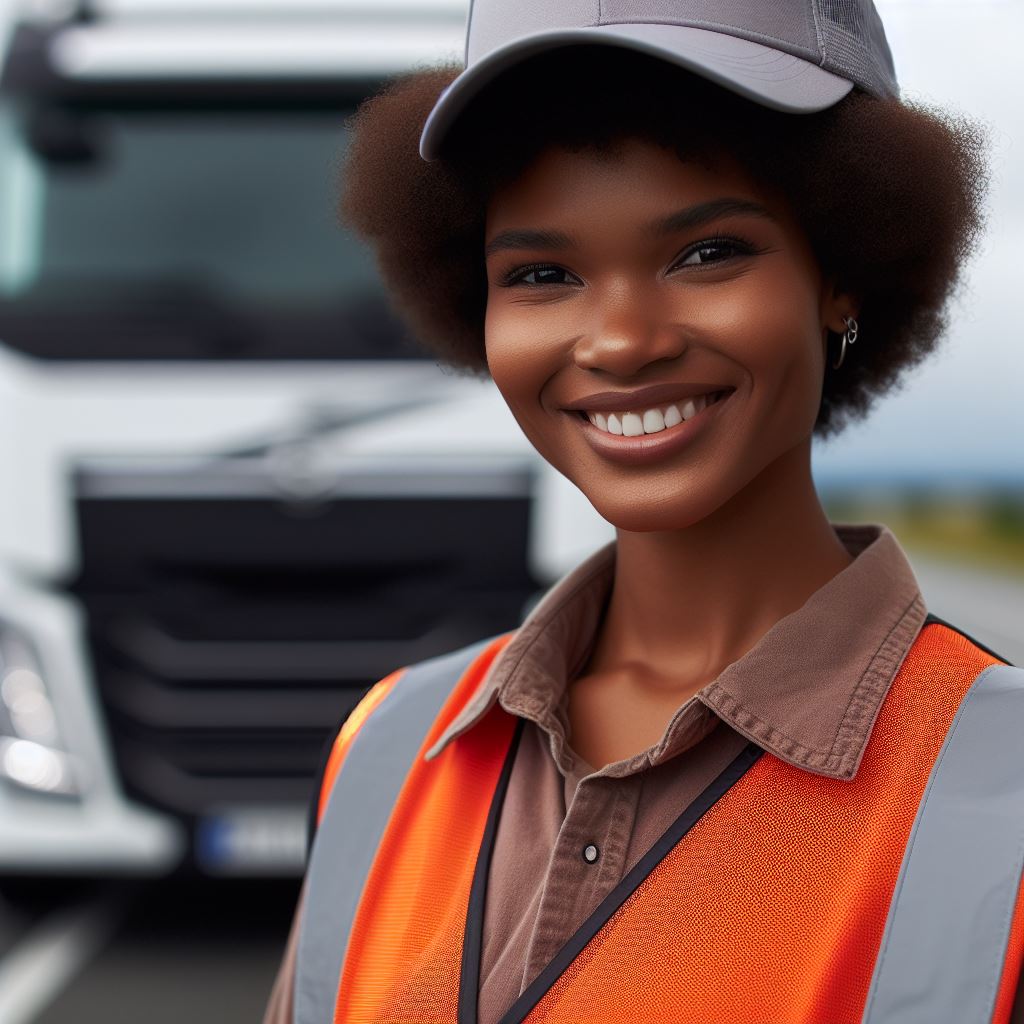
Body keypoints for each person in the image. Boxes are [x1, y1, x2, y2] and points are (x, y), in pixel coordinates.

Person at [265, 2, 1023, 1022]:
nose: (620, 339)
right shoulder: (387, 748)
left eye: (707, 252)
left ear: (841, 273)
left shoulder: (999, 788)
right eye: (542, 274)